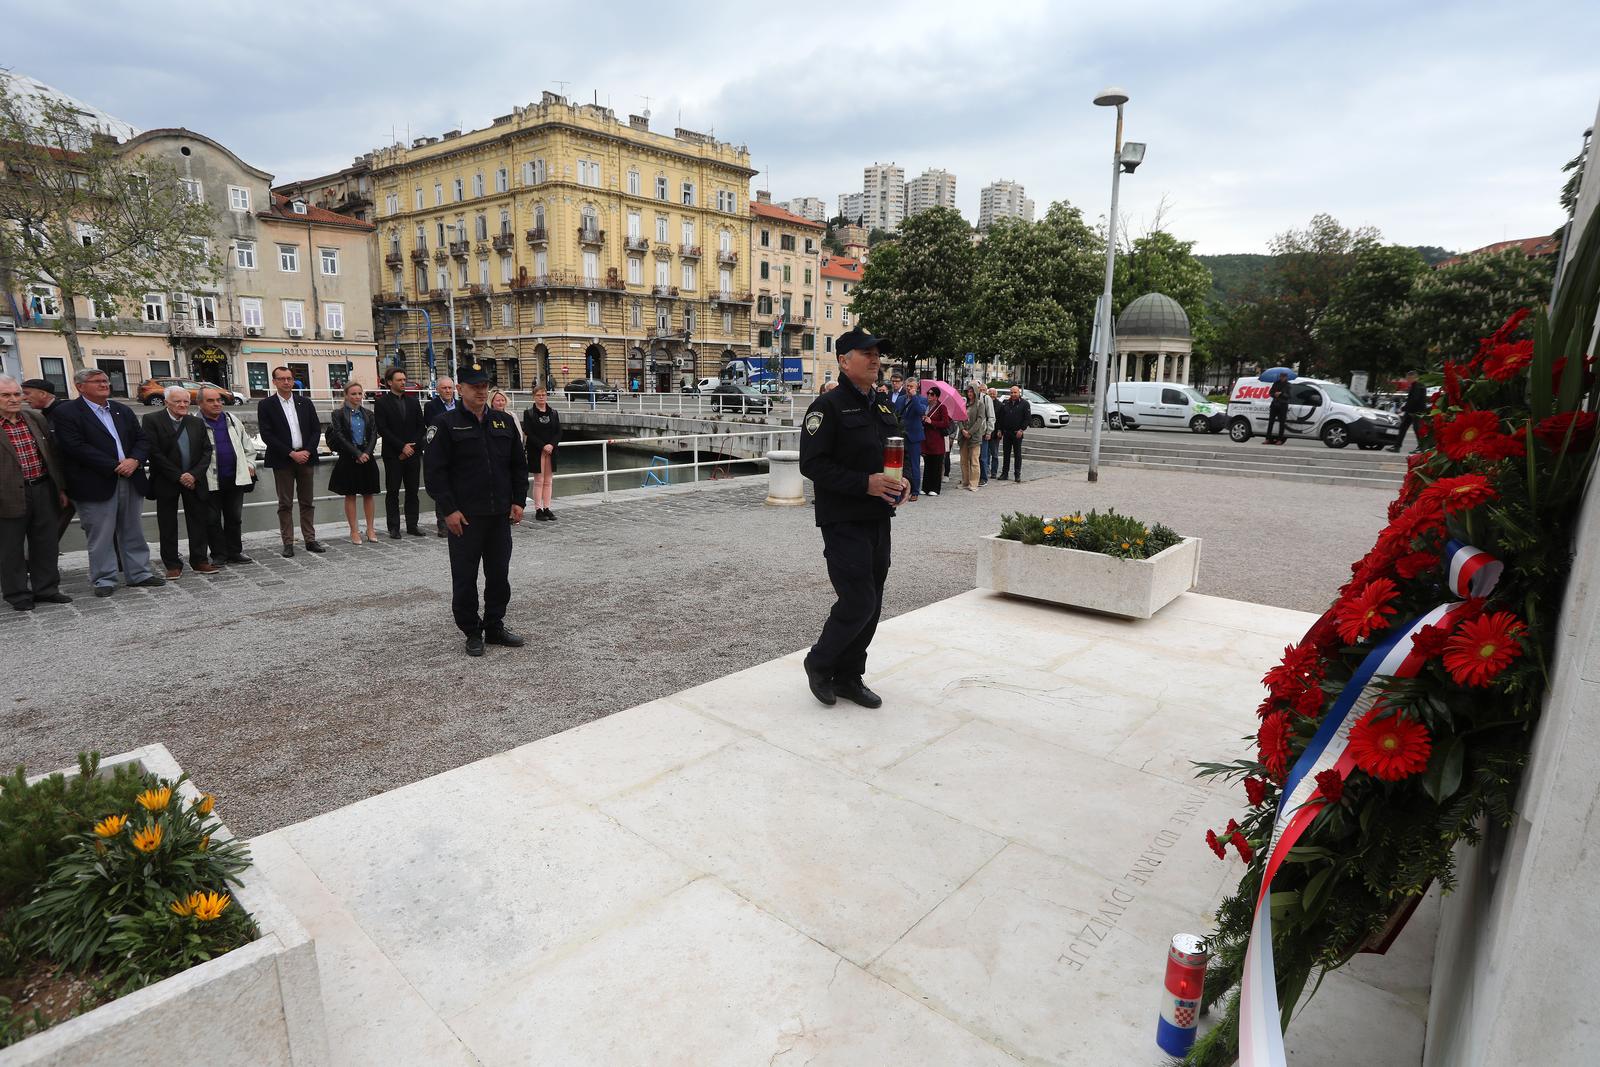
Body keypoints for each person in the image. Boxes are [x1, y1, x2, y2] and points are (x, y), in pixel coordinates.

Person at [798, 327, 907, 709]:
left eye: (877, 353)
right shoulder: (826, 408)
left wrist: (903, 482)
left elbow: (891, 454)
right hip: (843, 519)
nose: (876, 359)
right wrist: (865, 483)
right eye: (866, 353)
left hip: (879, 516)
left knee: (873, 602)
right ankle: (819, 662)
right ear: (844, 361)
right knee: (858, 599)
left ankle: (848, 676)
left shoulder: (881, 406)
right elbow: (812, 464)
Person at [423, 361, 529, 656]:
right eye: (474, 387)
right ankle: (472, 630)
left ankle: (494, 625)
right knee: (465, 578)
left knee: (499, 576)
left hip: (498, 515)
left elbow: (518, 466)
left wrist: (519, 500)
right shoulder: (445, 424)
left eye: (484, 386)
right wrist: (449, 510)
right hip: (465, 518)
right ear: (460, 389)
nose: (481, 391)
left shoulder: (503, 421)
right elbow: (434, 473)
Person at [50, 367, 164, 596]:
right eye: (97, 381)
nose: (104, 384)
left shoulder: (122, 410)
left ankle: (139, 573)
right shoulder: (67, 412)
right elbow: (75, 447)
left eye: (105, 380)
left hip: (130, 477)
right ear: (80, 386)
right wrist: (114, 465)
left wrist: (134, 460)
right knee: (100, 534)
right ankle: (104, 579)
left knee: (133, 529)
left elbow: (142, 439)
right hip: (94, 482)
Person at [0, 375, 70, 610]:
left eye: (17, 394)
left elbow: (52, 455)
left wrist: (60, 488)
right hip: (7, 495)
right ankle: (17, 594)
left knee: (46, 543)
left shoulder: (34, 418)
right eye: (5, 395)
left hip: (42, 488)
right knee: (10, 548)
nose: (13, 399)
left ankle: (47, 589)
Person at [142, 384, 216, 578]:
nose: (183, 405)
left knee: (198, 520)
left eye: (186, 401)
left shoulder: (196, 422)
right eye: (177, 401)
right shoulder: (152, 420)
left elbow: (206, 451)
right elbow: (154, 452)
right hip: (167, 479)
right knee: (167, 523)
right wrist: (178, 476)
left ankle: (200, 560)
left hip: (194, 480)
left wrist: (193, 475)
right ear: (166, 402)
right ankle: (172, 564)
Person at [258, 365, 326, 557]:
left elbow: (316, 430)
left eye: (289, 378)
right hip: (283, 460)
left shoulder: (305, 402)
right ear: (274, 382)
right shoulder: (266, 405)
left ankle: (310, 539)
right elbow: (267, 435)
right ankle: (288, 542)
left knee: (307, 501)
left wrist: (307, 451)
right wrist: (290, 453)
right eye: (282, 379)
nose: (286, 382)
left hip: (305, 458)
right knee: (285, 503)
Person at [198, 385, 254, 565]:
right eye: (211, 401)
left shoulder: (232, 420)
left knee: (234, 518)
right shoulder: (195, 423)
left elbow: (248, 447)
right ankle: (219, 555)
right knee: (212, 520)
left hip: (235, 478)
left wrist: (250, 465)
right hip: (209, 480)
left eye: (219, 400)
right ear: (200, 403)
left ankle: (234, 552)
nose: (217, 404)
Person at [327, 380, 380, 545]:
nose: (357, 397)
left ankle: (370, 529)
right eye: (353, 394)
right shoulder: (338, 414)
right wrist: (356, 453)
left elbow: (373, 434)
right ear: (346, 395)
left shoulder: (368, 413)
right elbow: (340, 435)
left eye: (359, 393)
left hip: (367, 456)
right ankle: (354, 530)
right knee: (350, 495)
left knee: (368, 494)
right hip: (348, 457)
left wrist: (366, 453)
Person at [374, 367, 424, 538]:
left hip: (413, 454)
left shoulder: (413, 402)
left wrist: (412, 447)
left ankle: (412, 525)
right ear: (389, 382)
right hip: (393, 454)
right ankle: (394, 527)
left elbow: (420, 427)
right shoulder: (381, 403)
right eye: (399, 380)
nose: (403, 382)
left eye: (404, 379)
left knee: (413, 491)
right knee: (393, 491)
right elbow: (383, 429)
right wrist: (402, 447)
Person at [423, 376, 459, 536]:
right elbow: (432, 426)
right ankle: (443, 524)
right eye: (444, 388)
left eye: (450, 388)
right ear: (438, 390)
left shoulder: (460, 405)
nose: (448, 391)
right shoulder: (431, 406)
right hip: (442, 450)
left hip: (459, 452)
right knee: (443, 488)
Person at [521, 385, 561, 521]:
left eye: (543, 395)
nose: (541, 397)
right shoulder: (529, 413)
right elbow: (529, 432)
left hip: (550, 450)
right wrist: (543, 446)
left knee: (548, 481)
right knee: (539, 481)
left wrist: (551, 445)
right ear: (534, 397)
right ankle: (538, 509)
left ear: (546, 396)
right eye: (538, 395)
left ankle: (547, 508)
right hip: (536, 450)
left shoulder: (553, 413)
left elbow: (558, 431)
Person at [895, 376, 926, 501]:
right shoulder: (900, 399)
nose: (909, 388)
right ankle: (900, 490)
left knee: (914, 465)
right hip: (901, 436)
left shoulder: (921, 399)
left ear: (916, 387)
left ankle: (915, 491)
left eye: (911, 386)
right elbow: (896, 414)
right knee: (900, 464)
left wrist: (914, 398)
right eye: (907, 386)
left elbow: (921, 411)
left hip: (914, 437)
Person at [959, 381, 993, 490]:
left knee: (974, 460)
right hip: (963, 436)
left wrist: (970, 432)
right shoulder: (964, 404)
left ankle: (973, 483)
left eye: (971, 391)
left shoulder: (980, 404)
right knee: (964, 461)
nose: (969, 393)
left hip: (974, 437)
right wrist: (962, 430)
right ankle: (965, 481)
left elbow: (980, 420)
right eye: (968, 391)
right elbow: (960, 418)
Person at [920, 384, 951, 497]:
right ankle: (925, 487)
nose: (929, 395)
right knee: (927, 465)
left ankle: (935, 488)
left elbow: (946, 423)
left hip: (937, 440)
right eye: (928, 393)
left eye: (932, 394)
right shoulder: (925, 406)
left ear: (937, 396)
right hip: (926, 439)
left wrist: (932, 422)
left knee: (936, 465)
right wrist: (923, 419)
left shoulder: (942, 407)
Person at [997, 385, 1031, 482]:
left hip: (1017, 433)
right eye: (1011, 392)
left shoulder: (1025, 404)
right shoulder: (1006, 403)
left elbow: (1027, 418)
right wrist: (999, 430)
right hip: (1006, 433)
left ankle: (1017, 474)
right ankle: (1004, 474)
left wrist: (1021, 429)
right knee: (1006, 454)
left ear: (1019, 393)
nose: (1013, 394)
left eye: (1015, 392)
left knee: (1017, 454)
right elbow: (1001, 418)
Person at [1393, 370, 1428, 452]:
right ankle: (1397, 446)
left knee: (1415, 428)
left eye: (1408, 378)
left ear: (1413, 378)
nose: (1407, 380)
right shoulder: (1418, 385)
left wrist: (1403, 408)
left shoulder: (1416, 386)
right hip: (1414, 410)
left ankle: (1422, 447)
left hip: (1415, 411)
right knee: (1406, 428)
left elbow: (1414, 399)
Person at [1264, 375, 1291, 445]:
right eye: (1281, 376)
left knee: (1282, 423)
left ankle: (1280, 439)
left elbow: (1289, 396)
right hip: (1274, 404)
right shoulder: (1276, 383)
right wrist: (1274, 394)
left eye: (1284, 377)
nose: (1282, 378)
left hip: (1283, 406)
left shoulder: (1288, 385)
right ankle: (1268, 439)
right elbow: (1270, 393)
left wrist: (1281, 393)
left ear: (1286, 377)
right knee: (1271, 422)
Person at [985, 387, 1002, 482]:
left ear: (996, 394)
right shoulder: (985, 403)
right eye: (990, 393)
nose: (992, 395)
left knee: (994, 454)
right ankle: (986, 470)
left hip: (995, 433)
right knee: (986, 453)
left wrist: (1000, 430)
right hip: (986, 432)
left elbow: (1001, 419)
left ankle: (994, 472)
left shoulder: (1000, 405)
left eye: (994, 393)